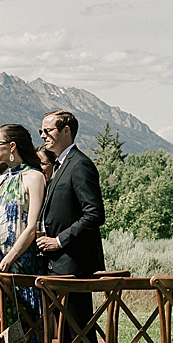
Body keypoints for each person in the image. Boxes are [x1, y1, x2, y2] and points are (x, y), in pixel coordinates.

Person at [0, 123, 47, 343]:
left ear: (12, 146)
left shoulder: (34, 177)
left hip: (19, 266)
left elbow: (31, 226)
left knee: (22, 325)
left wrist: (9, 260)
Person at [37, 110, 107, 325]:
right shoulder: (59, 165)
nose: (42, 136)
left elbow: (94, 214)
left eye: (47, 130)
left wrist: (58, 241)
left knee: (76, 333)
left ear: (66, 131)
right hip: (57, 264)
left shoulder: (79, 165)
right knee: (63, 332)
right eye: (41, 131)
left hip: (73, 264)